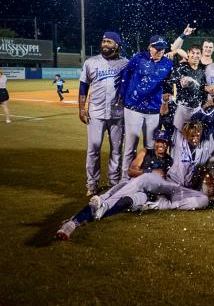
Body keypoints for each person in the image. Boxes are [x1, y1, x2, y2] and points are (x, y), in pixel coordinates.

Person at [55, 130, 174, 240]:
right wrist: (149, 172)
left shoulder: (170, 161)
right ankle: (72, 224)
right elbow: (131, 171)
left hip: (145, 194)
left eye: (164, 142)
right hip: (132, 183)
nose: (161, 144)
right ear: (155, 142)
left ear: (168, 144)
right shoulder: (146, 152)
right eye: (159, 141)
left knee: (123, 202)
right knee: (101, 199)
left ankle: (74, 221)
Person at [117, 35, 174, 181]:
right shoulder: (138, 58)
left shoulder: (168, 63)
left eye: (162, 48)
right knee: (130, 145)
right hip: (133, 107)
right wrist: (122, 95)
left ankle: (145, 180)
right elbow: (126, 75)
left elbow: (167, 83)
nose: (160, 51)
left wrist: (166, 100)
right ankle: (124, 179)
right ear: (150, 47)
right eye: (157, 48)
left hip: (154, 109)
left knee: (150, 147)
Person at [78, 31, 129, 195]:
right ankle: (91, 184)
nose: (105, 44)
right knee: (93, 148)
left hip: (117, 113)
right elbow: (83, 86)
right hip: (96, 112)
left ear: (117, 45)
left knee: (116, 149)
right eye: (103, 41)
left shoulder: (125, 63)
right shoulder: (91, 62)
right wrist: (81, 108)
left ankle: (113, 181)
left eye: (109, 42)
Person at [168, 44, 207, 133]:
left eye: (198, 53)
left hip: (197, 108)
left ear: (201, 55)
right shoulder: (181, 67)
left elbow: (204, 88)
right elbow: (171, 82)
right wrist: (179, 83)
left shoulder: (202, 70)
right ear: (188, 53)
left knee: (194, 134)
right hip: (182, 107)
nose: (195, 55)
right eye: (193, 53)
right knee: (178, 134)